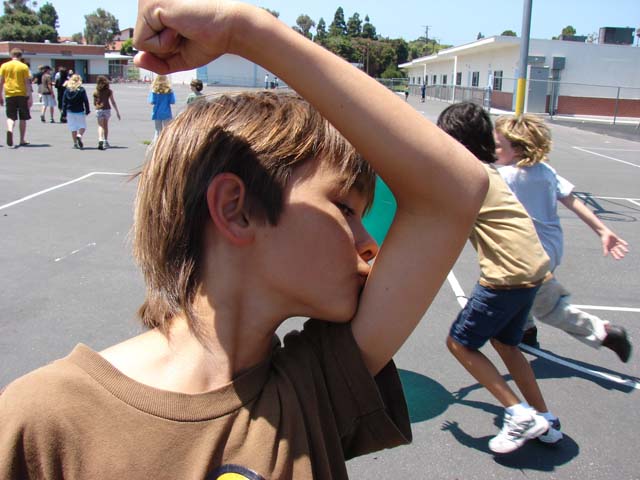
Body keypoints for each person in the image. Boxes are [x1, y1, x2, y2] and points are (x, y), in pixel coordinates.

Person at [0, 1, 488, 478]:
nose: (370, 246)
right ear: (236, 209)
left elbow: (457, 189)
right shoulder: (44, 420)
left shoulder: (312, 388)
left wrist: (245, 30)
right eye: (344, 209)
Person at [437, 102, 561, 454]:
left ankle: (518, 414)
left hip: (506, 276)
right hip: (533, 271)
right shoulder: (489, 173)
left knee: (460, 343)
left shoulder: (468, 177)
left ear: (453, 142)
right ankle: (545, 418)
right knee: (507, 345)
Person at [494, 114, 632, 362]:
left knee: (549, 308)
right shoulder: (545, 171)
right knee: (522, 291)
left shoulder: (507, 177)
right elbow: (572, 201)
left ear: (518, 149)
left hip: (531, 255)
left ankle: (604, 333)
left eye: (498, 146)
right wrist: (602, 230)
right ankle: (526, 331)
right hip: (551, 248)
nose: (494, 151)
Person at [0, 48, 32, 148]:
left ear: (11, 55)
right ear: (21, 56)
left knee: (11, 117)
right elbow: (27, 83)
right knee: (23, 117)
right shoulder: (24, 66)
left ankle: (10, 129)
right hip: (22, 94)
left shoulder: (4, 66)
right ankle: (22, 139)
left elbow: (1, 81)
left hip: (9, 94)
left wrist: (0, 95)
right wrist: (29, 96)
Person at [62, 74, 90, 149]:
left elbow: (64, 102)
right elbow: (85, 100)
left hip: (70, 111)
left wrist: (63, 113)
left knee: (73, 128)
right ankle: (79, 135)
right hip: (79, 111)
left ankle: (75, 143)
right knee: (82, 126)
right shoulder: (81, 90)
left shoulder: (67, 90)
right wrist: (87, 109)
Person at [93, 75, 121, 150]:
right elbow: (113, 102)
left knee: (100, 126)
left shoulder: (96, 92)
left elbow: (94, 103)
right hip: (107, 109)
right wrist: (117, 112)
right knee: (105, 126)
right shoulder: (109, 91)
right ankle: (105, 140)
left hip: (99, 109)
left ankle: (100, 139)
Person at [148, 74, 175, 141]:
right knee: (166, 131)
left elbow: (152, 101)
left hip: (157, 112)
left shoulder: (154, 90)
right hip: (166, 112)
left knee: (157, 131)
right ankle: (166, 144)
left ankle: (156, 144)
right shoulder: (169, 90)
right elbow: (172, 101)